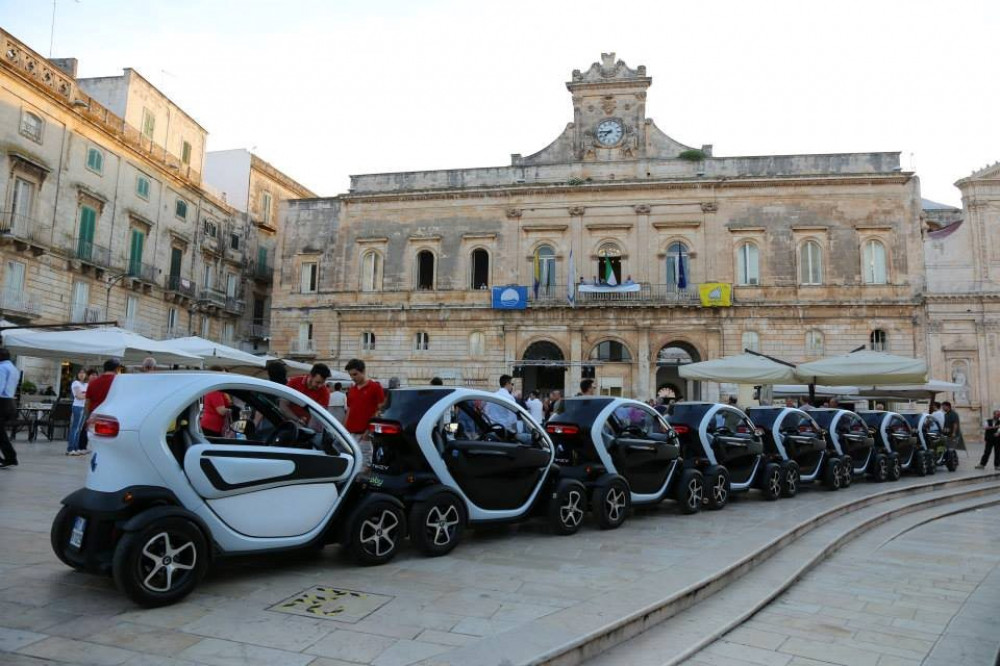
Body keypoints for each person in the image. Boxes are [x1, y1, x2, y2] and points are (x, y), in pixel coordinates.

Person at [344, 359, 385, 467]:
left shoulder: (375, 387)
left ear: (363, 371)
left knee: (365, 465)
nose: (352, 377)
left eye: (355, 374)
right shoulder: (352, 389)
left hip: (365, 434)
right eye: (351, 375)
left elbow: (380, 410)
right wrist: (344, 430)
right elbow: (349, 410)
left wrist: (368, 432)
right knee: (352, 464)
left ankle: (367, 483)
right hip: (350, 434)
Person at [0, 349, 20, 468]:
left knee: (1, 433)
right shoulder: (14, 369)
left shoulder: (2, 368)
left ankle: (11, 457)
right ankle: (10, 457)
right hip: (10, 402)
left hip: (1, 402)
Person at [200, 368, 232, 437]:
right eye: (223, 375)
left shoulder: (217, 390)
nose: (226, 377)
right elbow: (221, 411)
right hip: (211, 427)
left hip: (212, 426)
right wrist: (231, 410)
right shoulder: (215, 391)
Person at [67, 369, 89, 456]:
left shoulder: (87, 384)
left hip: (85, 408)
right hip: (77, 407)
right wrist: (88, 395)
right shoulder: (75, 383)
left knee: (79, 429)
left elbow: (85, 396)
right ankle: (70, 448)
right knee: (75, 428)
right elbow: (79, 396)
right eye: (80, 372)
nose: (82, 374)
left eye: (83, 373)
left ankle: (76, 448)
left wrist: (85, 395)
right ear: (77, 374)